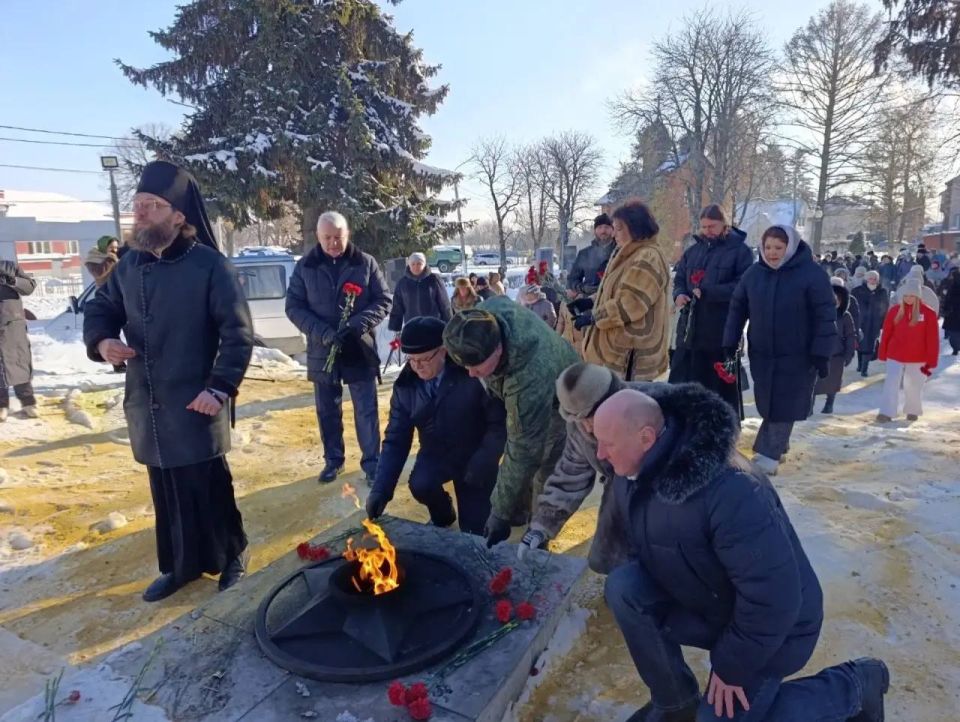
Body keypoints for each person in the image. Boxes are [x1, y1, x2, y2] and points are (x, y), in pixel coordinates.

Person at [596, 388, 889, 722]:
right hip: (716, 604)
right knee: (624, 587)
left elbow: (774, 599)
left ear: (646, 437)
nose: (600, 453)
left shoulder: (731, 490)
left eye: (607, 443)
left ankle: (854, 685)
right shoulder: (633, 471)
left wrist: (731, 666)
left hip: (776, 627)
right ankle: (675, 703)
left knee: (716, 718)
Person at [82, 160, 253, 602]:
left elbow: (237, 334)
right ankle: (180, 566)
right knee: (166, 492)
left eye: (151, 205)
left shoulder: (211, 266)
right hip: (148, 402)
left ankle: (232, 555)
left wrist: (219, 388)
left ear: (178, 216)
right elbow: (101, 309)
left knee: (208, 486)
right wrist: (103, 341)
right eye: (138, 204)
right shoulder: (128, 267)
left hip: (197, 400)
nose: (139, 212)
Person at [442, 298, 580, 546]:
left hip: (564, 397)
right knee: (518, 454)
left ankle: (539, 533)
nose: (471, 374)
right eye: (466, 365)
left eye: (477, 367)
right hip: (534, 375)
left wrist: (498, 513)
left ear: (497, 349)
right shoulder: (480, 321)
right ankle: (518, 508)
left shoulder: (529, 378)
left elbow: (524, 450)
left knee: (545, 467)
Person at [366, 317, 506, 534]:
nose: (417, 366)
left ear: (443, 351)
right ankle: (444, 512)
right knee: (421, 484)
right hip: (436, 451)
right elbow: (396, 440)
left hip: (475, 454)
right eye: (411, 360)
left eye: (423, 359)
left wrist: (485, 459)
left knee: (474, 532)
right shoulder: (405, 387)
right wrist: (380, 490)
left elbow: (498, 424)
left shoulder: (472, 373)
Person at [285, 211, 392, 485]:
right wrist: (322, 333)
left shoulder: (365, 263)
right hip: (323, 350)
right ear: (318, 237)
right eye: (327, 238)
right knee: (327, 410)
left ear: (347, 235)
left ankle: (372, 464)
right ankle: (334, 460)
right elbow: (294, 306)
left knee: (365, 410)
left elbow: (383, 300)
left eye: (338, 237)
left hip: (359, 347)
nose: (333, 243)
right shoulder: (306, 266)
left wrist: (357, 324)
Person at [723, 225, 837, 476]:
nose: (772, 252)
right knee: (769, 402)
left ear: (791, 248)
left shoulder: (811, 275)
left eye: (778, 247)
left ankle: (768, 454)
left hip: (799, 354)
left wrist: (821, 352)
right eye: (768, 247)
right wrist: (730, 341)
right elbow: (737, 308)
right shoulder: (754, 274)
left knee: (786, 403)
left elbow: (825, 315)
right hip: (762, 353)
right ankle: (779, 445)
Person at [519, 362, 650, 573]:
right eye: (578, 419)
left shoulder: (649, 411)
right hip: (618, 487)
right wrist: (540, 527)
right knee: (604, 560)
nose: (588, 428)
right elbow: (570, 477)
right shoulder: (579, 426)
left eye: (590, 416)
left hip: (662, 490)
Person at [669, 205, 752, 417]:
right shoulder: (693, 251)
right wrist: (679, 294)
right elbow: (680, 278)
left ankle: (722, 425)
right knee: (684, 385)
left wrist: (709, 292)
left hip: (721, 330)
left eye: (712, 226)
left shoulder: (740, 252)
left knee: (718, 390)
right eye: (704, 227)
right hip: (689, 331)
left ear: (724, 224)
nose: (708, 231)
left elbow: (743, 286)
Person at [579, 199, 670, 381]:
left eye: (619, 229)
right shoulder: (628, 253)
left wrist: (595, 317)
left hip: (631, 359)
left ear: (636, 228)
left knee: (625, 400)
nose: (614, 234)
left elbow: (631, 303)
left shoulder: (648, 256)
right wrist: (590, 301)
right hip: (619, 355)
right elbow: (617, 291)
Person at [876, 279, 940, 423]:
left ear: (918, 296)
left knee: (914, 384)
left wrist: (932, 359)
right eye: (906, 296)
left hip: (918, 356)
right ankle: (886, 412)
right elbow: (886, 333)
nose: (908, 299)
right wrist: (882, 353)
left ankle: (912, 410)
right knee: (891, 382)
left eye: (912, 296)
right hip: (895, 353)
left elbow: (932, 338)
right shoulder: (894, 311)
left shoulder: (928, 313)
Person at [0, 259, 39, 422]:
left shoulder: (9, 266)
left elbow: (30, 287)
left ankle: (28, 402)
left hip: (12, 325)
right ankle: (2, 405)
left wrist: (13, 281)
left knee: (19, 362)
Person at [814, 282, 857, 414]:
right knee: (814, 382)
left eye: (838, 299)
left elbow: (850, 336)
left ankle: (829, 403)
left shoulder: (845, 316)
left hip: (836, 355)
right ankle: (810, 405)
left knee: (833, 381)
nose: (835, 301)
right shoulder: (818, 314)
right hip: (819, 353)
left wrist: (848, 355)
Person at [388, 251, 452, 338]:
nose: (416, 266)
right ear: (409, 265)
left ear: (424, 264)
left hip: (433, 327)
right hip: (412, 327)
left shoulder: (434, 280)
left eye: (419, 264)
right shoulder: (402, 283)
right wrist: (396, 328)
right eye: (413, 264)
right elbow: (397, 307)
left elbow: (444, 304)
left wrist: (449, 326)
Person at [851, 270, 890, 376]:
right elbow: (852, 306)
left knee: (870, 345)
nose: (872, 281)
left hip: (874, 322)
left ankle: (864, 368)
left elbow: (885, 307)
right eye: (870, 278)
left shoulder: (882, 292)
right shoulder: (857, 291)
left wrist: (883, 322)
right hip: (860, 322)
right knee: (860, 343)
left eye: (874, 279)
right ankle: (860, 365)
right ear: (866, 279)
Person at [567, 214, 615, 297]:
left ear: (613, 230)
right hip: (589, 301)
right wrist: (583, 288)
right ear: (595, 231)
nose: (603, 231)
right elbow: (572, 280)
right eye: (599, 227)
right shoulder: (584, 254)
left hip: (614, 300)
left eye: (607, 227)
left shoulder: (621, 252)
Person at [941, 269, 960, 355]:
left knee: (953, 333)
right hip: (952, 312)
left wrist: (945, 309)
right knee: (954, 333)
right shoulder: (951, 285)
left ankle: (955, 348)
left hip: (952, 313)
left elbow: (948, 299)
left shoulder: (951, 285)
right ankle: (956, 348)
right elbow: (947, 299)